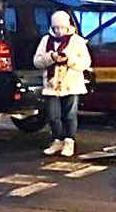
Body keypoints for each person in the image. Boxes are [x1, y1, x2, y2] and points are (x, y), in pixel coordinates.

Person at [33, 10, 91, 157]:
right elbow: (37, 61)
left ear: (68, 26)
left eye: (62, 27)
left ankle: (69, 141)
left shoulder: (77, 41)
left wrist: (68, 59)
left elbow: (85, 63)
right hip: (51, 85)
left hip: (71, 84)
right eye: (56, 28)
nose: (59, 31)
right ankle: (56, 140)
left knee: (70, 115)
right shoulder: (46, 40)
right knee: (53, 115)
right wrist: (51, 57)